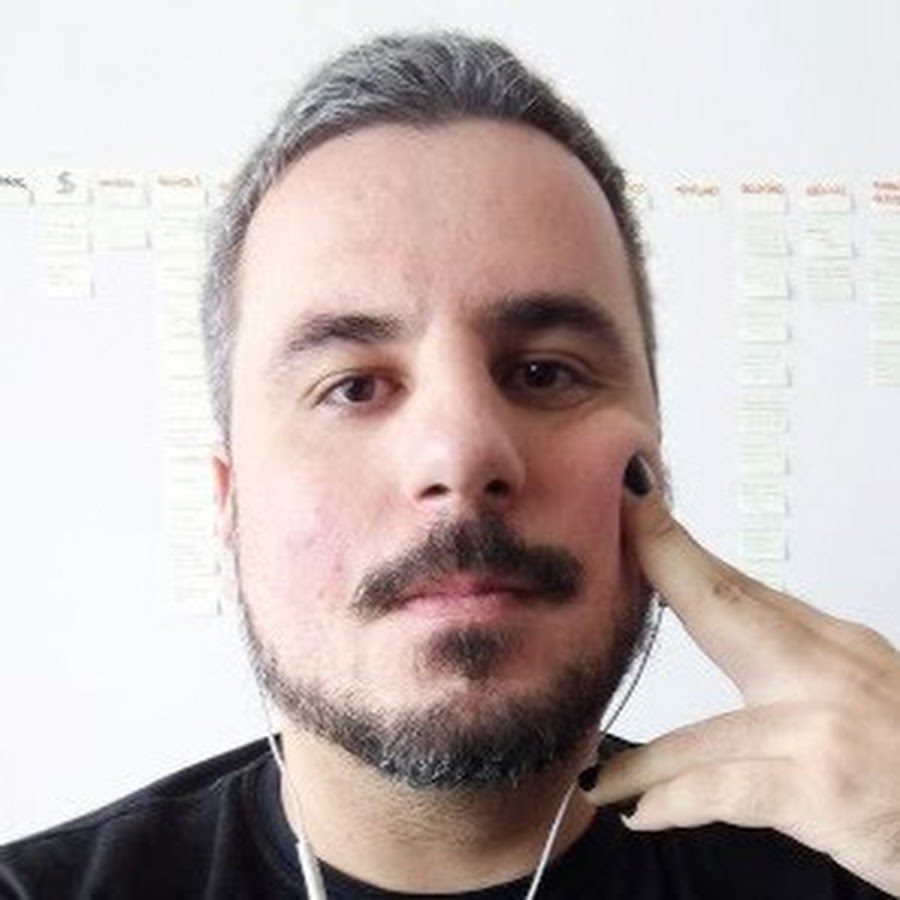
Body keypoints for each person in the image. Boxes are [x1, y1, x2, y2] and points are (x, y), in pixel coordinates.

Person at [1, 31, 898, 900]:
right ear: (230, 506)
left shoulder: (861, 864)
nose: (463, 455)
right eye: (353, 387)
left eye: (545, 373)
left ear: (651, 469)